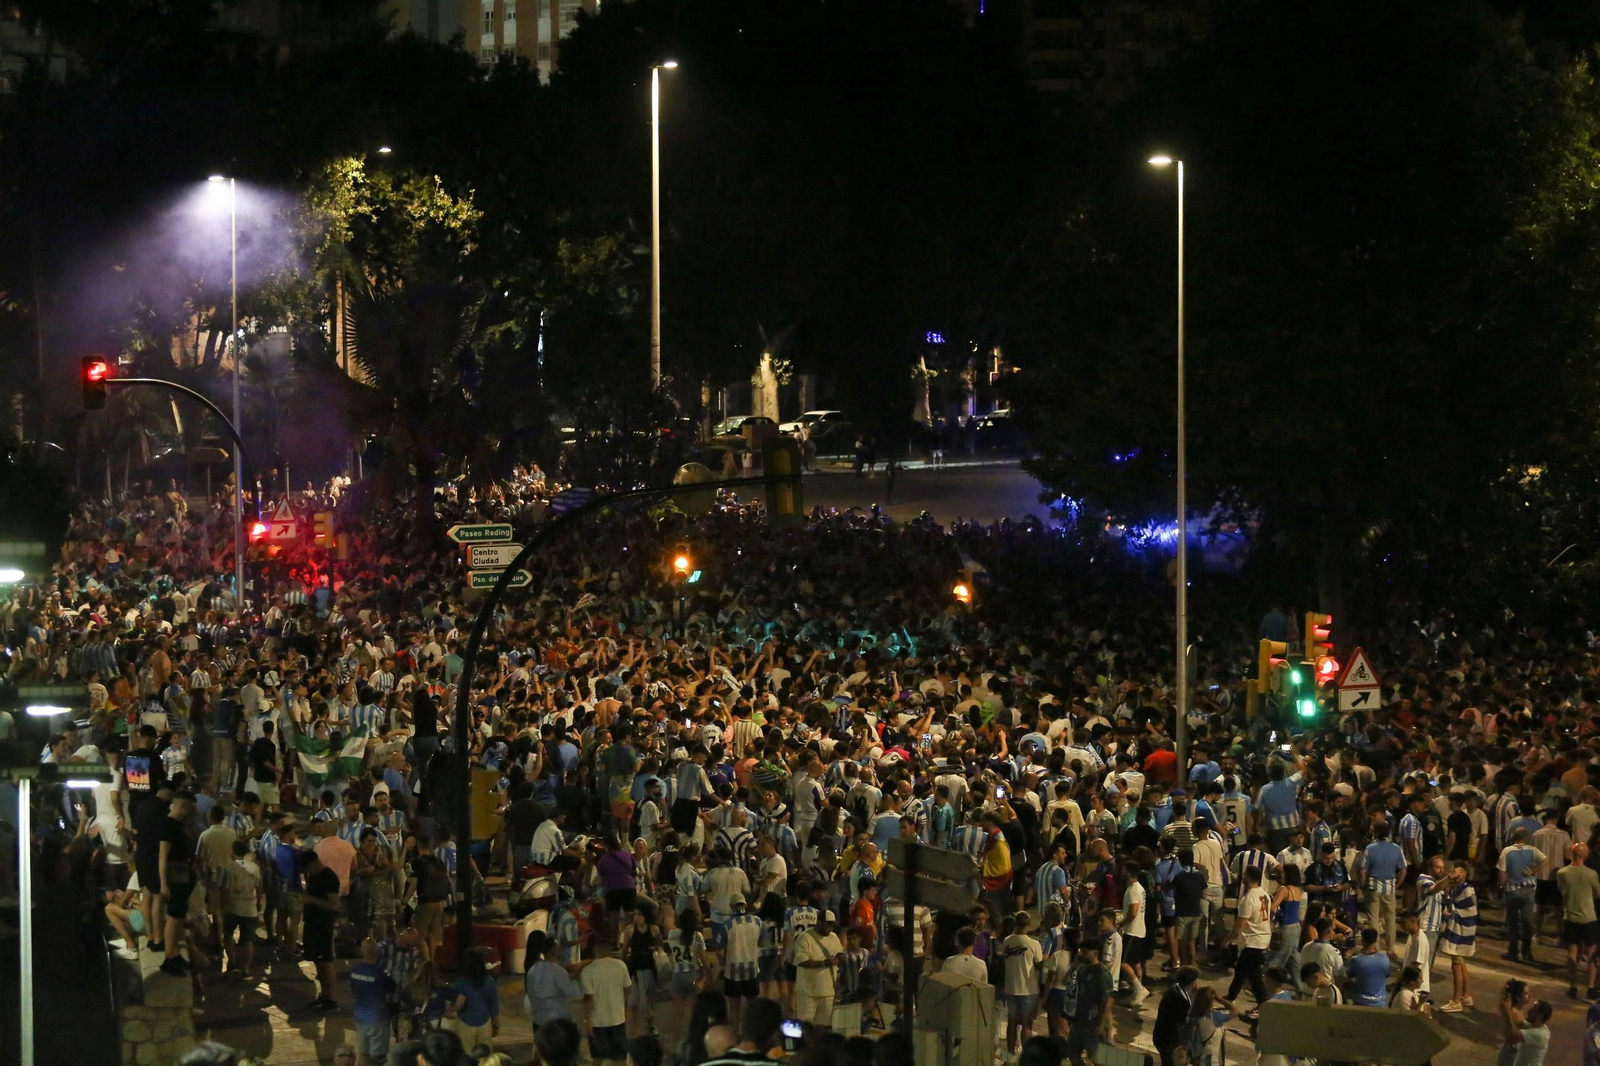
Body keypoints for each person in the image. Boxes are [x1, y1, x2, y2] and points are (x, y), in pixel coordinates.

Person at [157, 790, 198, 977]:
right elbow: (163, 855)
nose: (190, 813)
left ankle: (174, 952)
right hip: (176, 876)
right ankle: (169, 957)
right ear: (182, 806)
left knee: (179, 915)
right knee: (174, 916)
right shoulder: (168, 825)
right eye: (189, 809)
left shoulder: (179, 825)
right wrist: (164, 883)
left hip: (183, 874)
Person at [299, 848, 342, 1013]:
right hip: (312, 923)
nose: (307, 872)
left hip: (324, 925)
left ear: (314, 863)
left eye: (308, 868)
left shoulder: (329, 877)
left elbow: (335, 905)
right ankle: (324, 995)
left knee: (326, 961)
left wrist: (312, 900)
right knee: (318, 961)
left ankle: (332, 999)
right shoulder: (313, 876)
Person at [1222, 865, 1271, 1012]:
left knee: (1254, 975)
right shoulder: (1264, 894)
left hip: (1253, 940)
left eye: (1244, 875)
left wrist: (1227, 940)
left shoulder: (1248, 899)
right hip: (1262, 936)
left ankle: (1263, 1004)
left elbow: (1239, 924)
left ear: (1248, 877)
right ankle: (1231, 996)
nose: (1242, 877)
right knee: (1241, 969)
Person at [582, 936, 633, 1064]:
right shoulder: (620, 966)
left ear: (595, 950)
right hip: (618, 1019)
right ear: (610, 950)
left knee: (598, 1058)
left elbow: (588, 998)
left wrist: (587, 1022)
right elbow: (628, 989)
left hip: (598, 1022)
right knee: (620, 1058)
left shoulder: (588, 971)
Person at [1559, 840, 1600, 998]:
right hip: (1588, 917)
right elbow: (1598, 893)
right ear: (1585, 854)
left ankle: (1573, 986)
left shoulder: (1562, 873)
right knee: (1592, 953)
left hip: (1570, 916)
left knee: (1572, 953)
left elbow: (1562, 891)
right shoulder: (1591, 873)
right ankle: (1590, 987)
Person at [1062, 940, 1112, 1066]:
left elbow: (1108, 1000)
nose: (1081, 955)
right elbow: (1064, 981)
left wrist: (1101, 1024)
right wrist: (1073, 966)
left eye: (1085, 952)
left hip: (1093, 1022)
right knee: (1072, 1053)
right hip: (1079, 1020)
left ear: (1095, 953)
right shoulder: (1081, 968)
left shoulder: (1103, 973)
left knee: (1097, 1058)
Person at [793, 908, 842, 1034]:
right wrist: (824, 963)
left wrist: (842, 958)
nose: (830, 928)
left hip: (828, 991)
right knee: (805, 1027)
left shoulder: (834, 937)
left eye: (832, 925)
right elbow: (802, 961)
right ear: (818, 922)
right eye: (827, 924)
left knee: (825, 1027)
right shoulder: (805, 938)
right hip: (808, 992)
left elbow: (839, 953)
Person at [348, 937, 395, 1066]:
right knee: (378, 1059)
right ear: (377, 952)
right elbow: (392, 988)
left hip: (360, 1018)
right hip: (377, 1019)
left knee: (363, 1054)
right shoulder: (380, 973)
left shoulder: (354, 971)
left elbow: (353, 991)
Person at [445, 946, 500, 1052]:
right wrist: (496, 1024)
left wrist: (449, 1011)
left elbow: (458, 1005)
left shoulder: (462, 983)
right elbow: (493, 1004)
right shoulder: (489, 981)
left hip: (465, 1024)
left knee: (468, 1055)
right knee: (486, 1056)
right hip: (485, 1022)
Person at [525, 932, 581, 1029]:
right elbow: (572, 992)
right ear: (554, 951)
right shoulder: (558, 971)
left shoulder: (532, 970)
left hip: (538, 1020)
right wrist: (576, 978)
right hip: (556, 1021)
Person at [1153, 965, 1199, 1066]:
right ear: (1192, 983)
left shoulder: (1175, 990)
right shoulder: (1179, 999)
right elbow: (1181, 1026)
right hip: (1169, 1042)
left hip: (1162, 1038)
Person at [1346, 927, 1392, 1007]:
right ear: (1376, 940)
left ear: (1362, 941)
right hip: (1380, 1004)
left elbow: (1349, 974)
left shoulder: (1356, 960)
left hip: (1360, 1003)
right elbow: (1387, 974)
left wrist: (1347, 959)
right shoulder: (1385, 959)